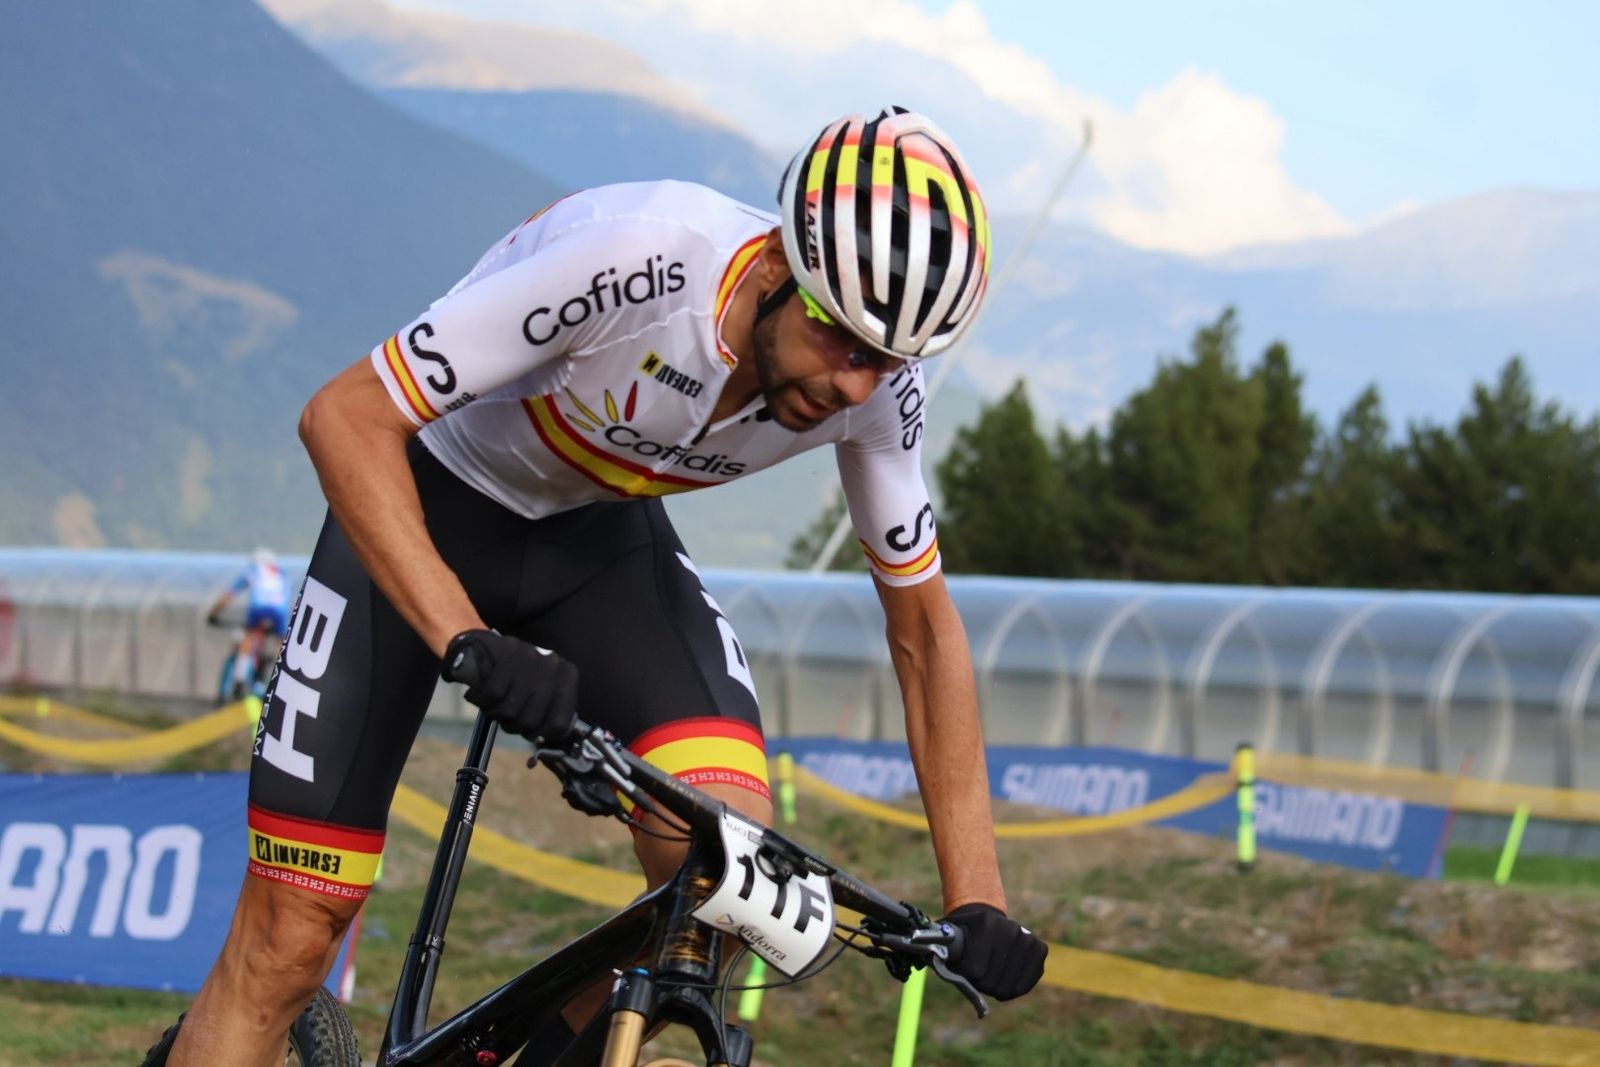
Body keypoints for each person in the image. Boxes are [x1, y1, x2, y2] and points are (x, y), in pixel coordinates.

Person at [165, 107, 1047, 1066]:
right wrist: (466, 638)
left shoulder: (876, 391)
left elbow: (924, 629)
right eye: (844, 344)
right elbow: (342, 417)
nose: (856, 390)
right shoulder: (636, 262)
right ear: (775, 271)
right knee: (287, 943)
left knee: (721, 867)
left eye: (890, 362)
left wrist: (979, 895)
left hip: (598, 542)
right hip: (424, 500)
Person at [205, 547, 290, 702]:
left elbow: (228, 596)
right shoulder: (281, 573)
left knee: (249, 637)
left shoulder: (253, 570)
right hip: (279, 609)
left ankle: (239, 680)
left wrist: (213, 614)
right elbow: (286, 596)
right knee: (280, 643)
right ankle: (279, 678)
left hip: (258, 607)